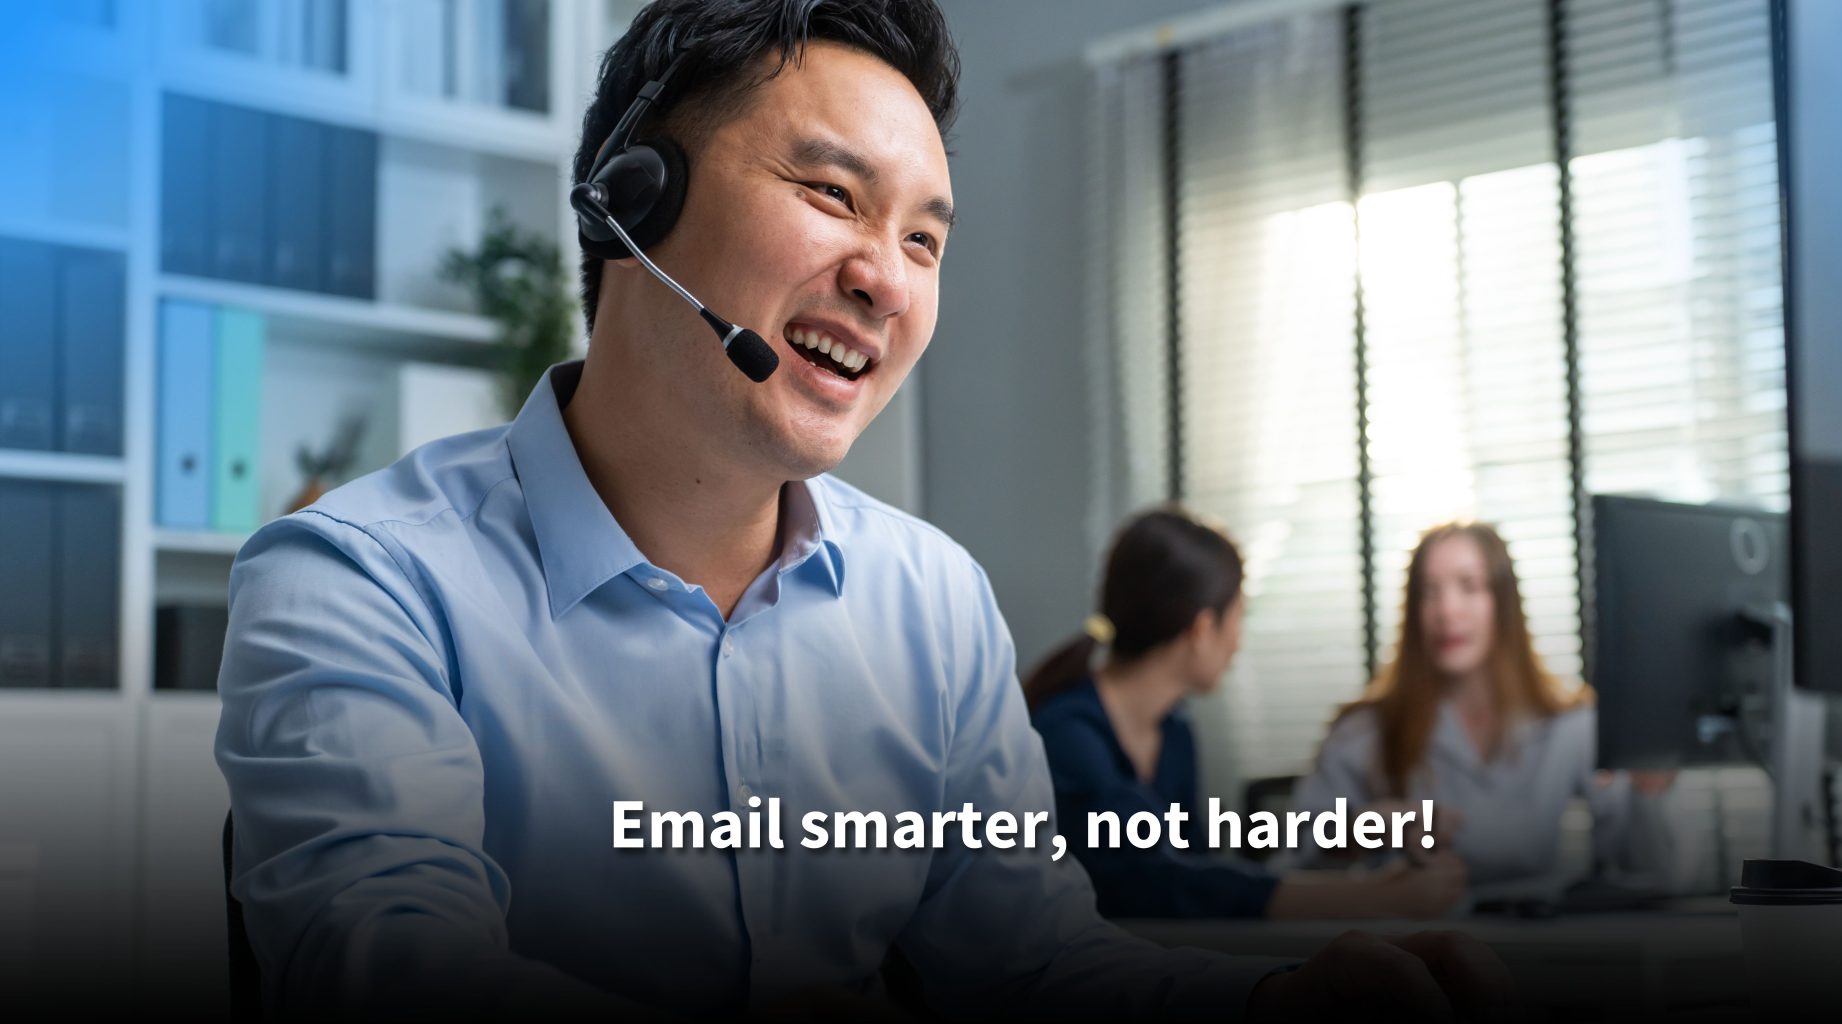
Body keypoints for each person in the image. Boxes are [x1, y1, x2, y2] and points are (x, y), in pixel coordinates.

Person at [214, 1, 1514, 1019]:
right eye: (835, 197)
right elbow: (390, 971)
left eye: (926, 241)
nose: (886, 281)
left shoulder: (933, 602)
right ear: (630, 205)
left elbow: (1033, 970)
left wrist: (1276, 1003)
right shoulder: (358, 577)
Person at [1026, 508, 1469, 921]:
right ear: (1202, 629)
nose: (1238, 641)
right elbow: (1151, 883)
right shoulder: (1065, 734)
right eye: (1238, 617)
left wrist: (1349, 834)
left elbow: (1198, 868)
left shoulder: (1174, 733)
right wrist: (1374, 898)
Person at [1288, 522, 1676, 891]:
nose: (1447, 611)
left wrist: (1647, 791)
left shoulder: (1573, 724)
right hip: (1410, 945)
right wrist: (1357, 830)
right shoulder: (1365, 729)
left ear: (1503, 604)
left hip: (1545, 945)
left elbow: (1647, 875)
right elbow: (1291, 861)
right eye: (1429, 592)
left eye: (1469, 587)